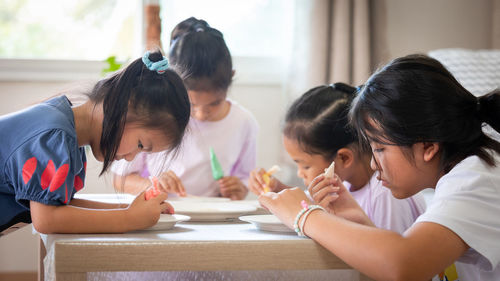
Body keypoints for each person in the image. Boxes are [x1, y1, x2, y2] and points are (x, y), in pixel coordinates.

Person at [259, 54, 500, 280]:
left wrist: (304, 216)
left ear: (427, 146)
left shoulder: (476, 177)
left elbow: (404, 263)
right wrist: (363, 225)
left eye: (380, 148)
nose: (374, 163)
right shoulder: (464, 175)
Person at [0, 50, 191, 234]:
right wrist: (130, 218)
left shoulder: (67, 134)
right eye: (140, 145)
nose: (132, 156)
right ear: (122, 108)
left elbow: (59, 206)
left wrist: (130, 209)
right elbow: (47, 219)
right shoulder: (55, 136)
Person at [112, 17, 258, 200]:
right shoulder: (158, 116)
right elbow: (120, 179)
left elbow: (245, 180)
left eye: (214, 103)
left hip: (215, 218)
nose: (201, 114)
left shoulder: (243, 122)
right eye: (191, 104)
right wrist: (152, 184)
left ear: (231, 78)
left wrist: (239, 188)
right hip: (163, 215)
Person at [249, 83, 426, 233]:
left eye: (306, 166)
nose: (300, 173)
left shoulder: (386, 194)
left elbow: (393, 260)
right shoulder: (346, 182)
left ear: (343, 158)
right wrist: (277, 189)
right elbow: (308, 204)